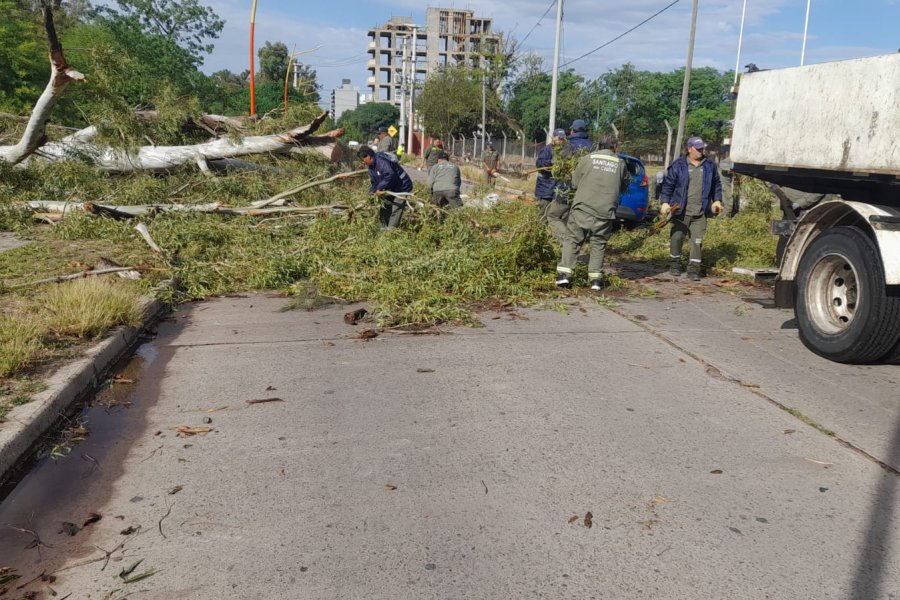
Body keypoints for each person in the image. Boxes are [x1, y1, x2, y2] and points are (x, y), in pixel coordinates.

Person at [555, 134, 630, 290]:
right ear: (615, 147)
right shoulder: (620, 163)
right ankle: (595, 280)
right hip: (605, 211)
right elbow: (623, 187)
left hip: (583, 207)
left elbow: (575, 183)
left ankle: (565, 276)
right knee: (598, 244)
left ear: (599, 146)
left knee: (573, 240)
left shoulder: (588, 158)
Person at [659, 136, 723, 281]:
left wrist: (717, 200)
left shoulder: (709, 166)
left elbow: (716, 185)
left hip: (700, 213)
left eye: (702, 148)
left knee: (697, 242)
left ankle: (693, 270)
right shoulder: (679, 165)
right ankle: (674, 265)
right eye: (697, 148)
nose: (701, 151)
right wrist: (664, 202)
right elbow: (668, 186)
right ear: (689, 149)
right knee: (677, 238)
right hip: (680, 212)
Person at [357, 146, 413, 230]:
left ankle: (390, 232)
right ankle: (383, 229)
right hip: (390, 187)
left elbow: (390, 175)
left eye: (362, 160)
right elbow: (375, 183)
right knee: (384, 207)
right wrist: (371, 192)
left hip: (402, 186)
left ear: (368, 156)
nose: (362, 163)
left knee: (396, 209)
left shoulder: (381, 161)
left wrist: (379, 188)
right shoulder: (371, 168)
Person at [535, 129, 567, 221]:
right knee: (544, 212)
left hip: (557, 187)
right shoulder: (547, 149)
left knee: (555, 213)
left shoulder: (565, 150)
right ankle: (540, 229)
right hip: (545, 187)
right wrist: (551, 162)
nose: (561, 140)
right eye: (559, 138)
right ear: (554, 138)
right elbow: (539, 163)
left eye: (563, 138)